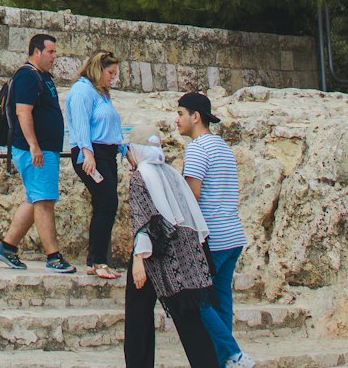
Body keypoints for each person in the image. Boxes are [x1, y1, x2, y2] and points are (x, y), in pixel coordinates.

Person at [125, 135, 217, 368]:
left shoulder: (139, 177)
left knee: (138, 318)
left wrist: (138, 260)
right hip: (183, 252)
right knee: (189, 320)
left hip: (153, 254)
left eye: (128, 149)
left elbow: (142, 220)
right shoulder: (171, 172)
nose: (126, 155)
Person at [177, 92, 255, 368]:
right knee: (222, 300)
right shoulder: (222, 146)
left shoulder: (198, 148)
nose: (177, 120)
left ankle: (233, 354)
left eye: (180, 114)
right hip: (233, 234)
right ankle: (226, 360)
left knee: (198, 300)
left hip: (214, 238)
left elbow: (191, 195)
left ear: (195, 117)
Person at [0, 31, 76, 272]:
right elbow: (23, 112)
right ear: (36, 51)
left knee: (35, 198)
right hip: (35, 151)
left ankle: (7, 247)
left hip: (44, 149)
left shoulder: (42, 76)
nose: (55, 56)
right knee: (44, 202)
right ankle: (53, 256)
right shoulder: (27, 77)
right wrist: (34, 146)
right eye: (50, 51)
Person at [66, 48, 125, 279]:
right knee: (108, 203)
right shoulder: (82, 92)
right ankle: (99, 260)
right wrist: (87, 153)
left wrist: (122, 148)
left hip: (106, 152)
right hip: (92, 152)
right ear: (98, 70)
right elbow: (81, 125)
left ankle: (94, 259)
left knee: (104, 204)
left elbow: (110, 126)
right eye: (110, 72)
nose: (112, 77)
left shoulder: (101, 93)